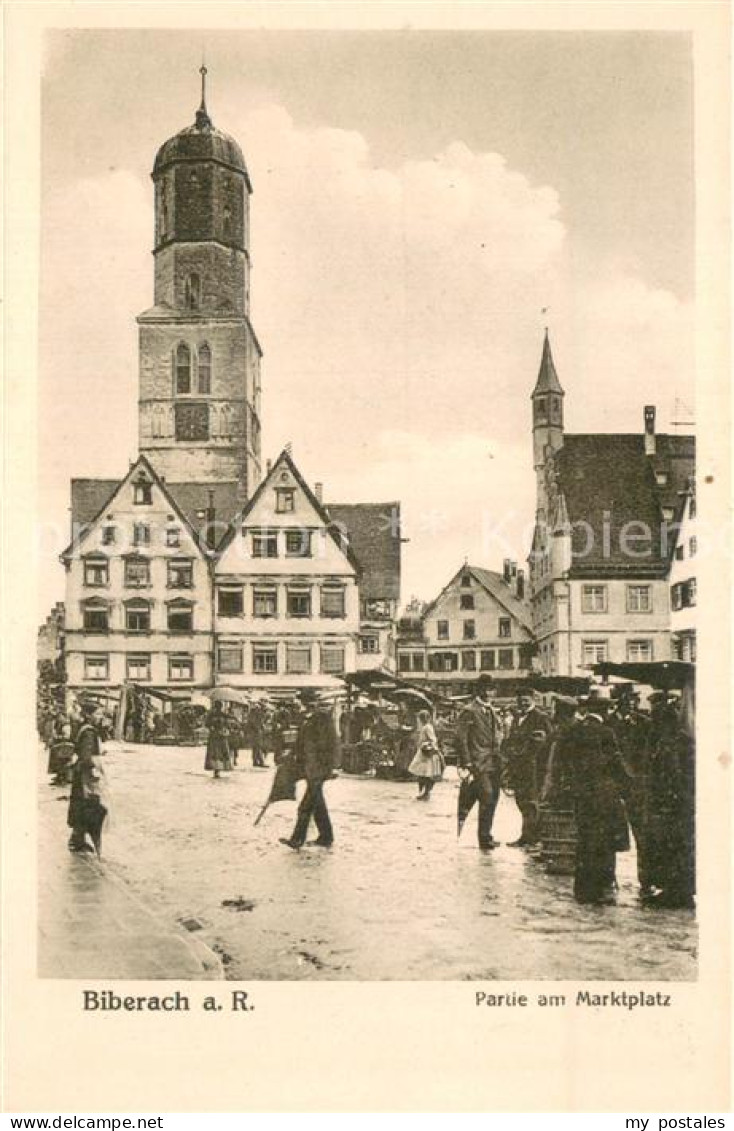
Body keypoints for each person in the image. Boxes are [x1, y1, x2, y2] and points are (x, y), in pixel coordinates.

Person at [555, 695, 630, 905]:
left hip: (582, 795)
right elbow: (617, 763)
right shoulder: (606, 733)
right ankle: (604, 888)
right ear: (604, 712)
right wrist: (629, 787)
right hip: (604, 795)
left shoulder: (572, 732)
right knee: (605, 843)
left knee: (585, 840)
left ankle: (583, 890)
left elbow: (563, 763)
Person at [643, 699, 695, 909]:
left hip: (674, 803)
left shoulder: (673, 743)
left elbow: (673, 774)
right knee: (670, 847)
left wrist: (671, 797)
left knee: (675, 846)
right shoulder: (672, 741)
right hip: (673, 802)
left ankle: (678, 893)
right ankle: (673, 890)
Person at [608, 687, 653, 895]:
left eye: (635, 700)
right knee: (610, 833)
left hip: (636, 786)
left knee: (642, 834)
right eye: (627, 700)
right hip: (613, 786)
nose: (632, 704)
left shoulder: (643, 723)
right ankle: (609, 877)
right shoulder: (608, 724)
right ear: (618, 701)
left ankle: (646, 879)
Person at [280, 693, 338, 849]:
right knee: (318, 804)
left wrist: (329, 767)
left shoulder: (321, 720)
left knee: (305, 806)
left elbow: (328, 745)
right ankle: (326, 836)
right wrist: (292, 754)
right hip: (311, 768)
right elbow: (303, 744)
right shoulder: (310, 720)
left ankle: (297, 839)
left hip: (318, 769)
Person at [456, 675, 505, 849]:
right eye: (488, 689)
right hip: (478, 763)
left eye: (492, 689)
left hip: (494, 762)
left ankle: (487, 835)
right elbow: (461, 738)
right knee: (486, 796)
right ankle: (482, 838)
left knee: (493, 799)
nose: (491, 692)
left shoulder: (491, 710)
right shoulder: (469, 710)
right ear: (481, 690)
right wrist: (467, 762)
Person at [502, 690, 554, 847]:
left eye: (525, 700)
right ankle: (527, 835)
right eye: (520, 701)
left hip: (533, 766)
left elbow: (549, 740)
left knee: (531, 802)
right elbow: (512, 739)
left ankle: (531, 838)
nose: (522, 704)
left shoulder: (540, 717)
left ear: (533, 700)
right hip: (519, 766)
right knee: (521, 800)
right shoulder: (518, 718)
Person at [67, 703, 110, 855]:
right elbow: (86, 756)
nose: (100, 717)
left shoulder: (83, 727)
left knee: (82, 805)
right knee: (89, 805)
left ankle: (77, 839)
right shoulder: (89, 732)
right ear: (89, 715)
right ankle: (77, 841)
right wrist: (95, 766)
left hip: (81, 773)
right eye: (98, 714)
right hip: (86, 775)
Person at [408, 708, 444, 799]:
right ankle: (423, 792)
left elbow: (433, 740)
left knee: (425, 774)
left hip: (426, 753)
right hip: (423, 753)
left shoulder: (427, 727)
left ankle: (425, 793)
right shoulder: (425, 727)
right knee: (422, 774)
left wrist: (425, 744)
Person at [204, 702, 232, 779]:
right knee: (217, 753)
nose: (218, 708)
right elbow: (207, 724)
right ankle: (217, 770)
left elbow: (227, 724)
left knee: (217, 753)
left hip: (218, 736)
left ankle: (217, 770)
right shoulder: (216, 715)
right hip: (217, 736)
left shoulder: (219, 715)